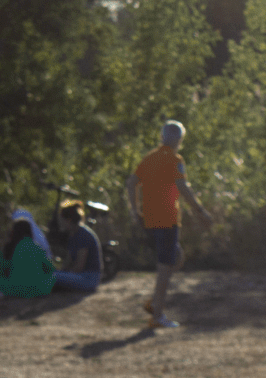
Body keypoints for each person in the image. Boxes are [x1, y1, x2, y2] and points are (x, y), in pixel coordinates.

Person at [124, 120, 211, 329]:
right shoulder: (174, 159)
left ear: (162, 137)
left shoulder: (149, 158)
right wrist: (200, 211)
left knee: (177, 258)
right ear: (179, 140)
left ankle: (155, 302)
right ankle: (157, 315)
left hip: (150, 220)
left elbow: (131, 183)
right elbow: (182, 187)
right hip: (167, 220)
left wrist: (135, 211)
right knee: (165, 267)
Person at [0, 214, 57, 298]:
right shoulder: (36, 246)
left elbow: (1, 271)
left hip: (15, 290)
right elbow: (50, 268)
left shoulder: (9, 247)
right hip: (38, 289)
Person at [51, 203, 104, 293]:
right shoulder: (73, 235)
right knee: (52, 274)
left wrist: (63, 275)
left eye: (62, 220)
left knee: (53, 277)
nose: (60, 222)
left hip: (89, 278)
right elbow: (68, 261)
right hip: (81, 276)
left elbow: (79, 266)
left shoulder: (83, 235)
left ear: (69, 220)